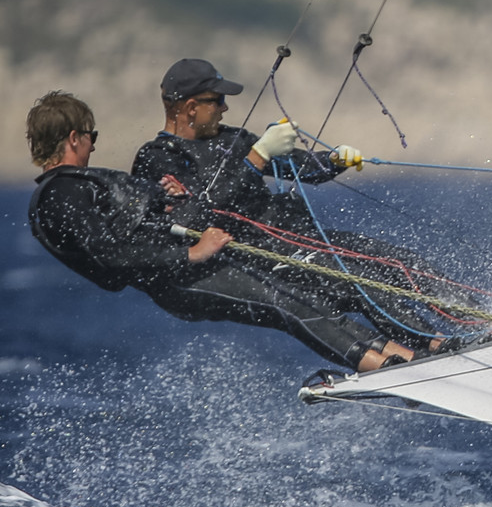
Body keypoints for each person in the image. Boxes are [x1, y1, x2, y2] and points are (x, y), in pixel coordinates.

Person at [26, 91, 417, 373]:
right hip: (178, 276)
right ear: (74, 137)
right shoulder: (59, 192)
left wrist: (164, 197)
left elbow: (131, 221)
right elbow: (109, 255)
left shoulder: (71, 186)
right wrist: (191, 254)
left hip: (186, 265)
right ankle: (380, 365)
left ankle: (404, 358)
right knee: (285, 301)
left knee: (299, 295)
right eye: (92, 137)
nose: (94, 147)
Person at [130, 58, 473, 351]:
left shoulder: (233, 139)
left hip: (301, 238)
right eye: (217, 100)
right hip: (258, 256)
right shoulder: (158, 158)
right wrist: (257, 156)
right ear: (192, 107)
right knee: (359, 279)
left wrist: (335, 159)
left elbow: (300, 167)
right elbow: (199, 213)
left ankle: (481, 325)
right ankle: (432, 345)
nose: (224, 108)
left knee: (401, 262)